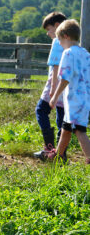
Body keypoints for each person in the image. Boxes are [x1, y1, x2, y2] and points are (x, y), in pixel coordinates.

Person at [48, 19, 90, 164]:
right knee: (66, 127)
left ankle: (89, 156)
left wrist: (55, 97)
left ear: (66, 36)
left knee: (79, 130)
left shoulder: (68, 53)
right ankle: (58, 155)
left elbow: (65, 78)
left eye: (59, 39)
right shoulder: (85, 53)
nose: (59, 43)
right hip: (84, 99)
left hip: (74, 99)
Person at [33, 12, 67, 159]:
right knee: (62, 119)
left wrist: (53, 90)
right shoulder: (71, 42)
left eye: (49, 29)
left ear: (58, 26)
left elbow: (54, 66)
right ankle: (61, 154)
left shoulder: (57, 42)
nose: (48, 33)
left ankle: (49, 148)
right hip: (67, 88)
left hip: (55, 85)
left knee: (41, 110)